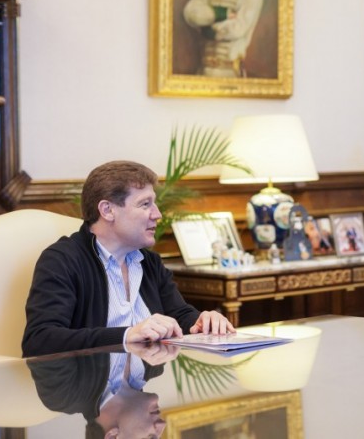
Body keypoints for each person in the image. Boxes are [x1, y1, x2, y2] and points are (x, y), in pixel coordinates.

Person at [22, 161, 235, 357]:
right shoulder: (62, 260)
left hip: (143, 390)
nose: (157, 214)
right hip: (86, 394)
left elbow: (179, 314)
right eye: (145, 204)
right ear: (107, 210)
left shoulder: (149, 262)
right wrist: (126, 336)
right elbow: (40, 340)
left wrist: (202, 322)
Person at [28, 342, 179, 439]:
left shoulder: (62, 394)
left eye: (150, 437)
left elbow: (44, 338)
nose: (161, 426)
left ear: (113, 436)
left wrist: (126, 337)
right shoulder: (155, 364)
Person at [183, 0, 264, 78]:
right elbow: (191, 13)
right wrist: (221, 13)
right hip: (203, 70)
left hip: (230, 73)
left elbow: (237, 29)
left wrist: (207, 29)